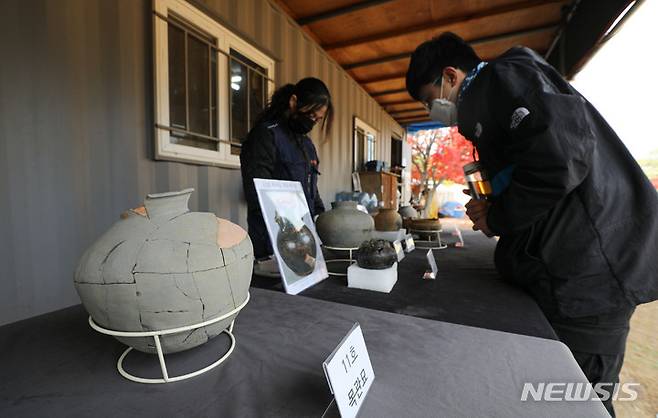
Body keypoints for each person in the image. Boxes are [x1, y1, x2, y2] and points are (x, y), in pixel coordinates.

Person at [405, 32, 658, 416]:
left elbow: (561, 159)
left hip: (592, 276)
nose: (430, 110)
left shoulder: (507, 78)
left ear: (451, 76)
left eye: (428, 98)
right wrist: (493, 205)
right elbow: (534, 167)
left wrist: (499, 215)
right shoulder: (496, 97)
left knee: (579, 399)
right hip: (574, 272)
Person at [240, 77, 333, 262]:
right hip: (270, 243)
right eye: (311, 115)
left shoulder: (307, 144)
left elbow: (311, 188)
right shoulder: (266, 134)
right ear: (293, 102)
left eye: (317, 119)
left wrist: (321, 218)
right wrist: (290, 226)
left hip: (301, 240)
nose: (312, 122)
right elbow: (256, 192)